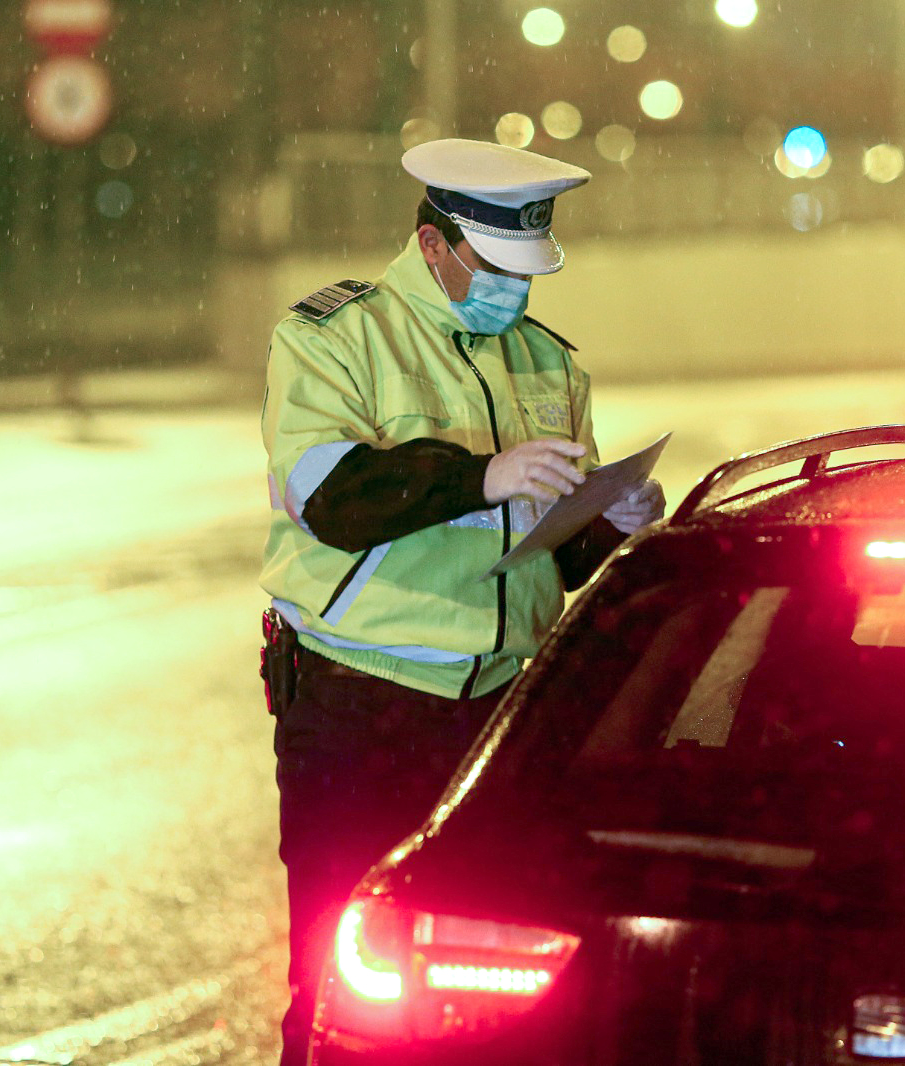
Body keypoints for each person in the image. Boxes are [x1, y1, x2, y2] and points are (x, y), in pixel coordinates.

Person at [259, 138, 664, 1066]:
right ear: (434, 243)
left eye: (526, 273)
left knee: (484, 987)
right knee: (339, 982)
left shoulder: (548, 361)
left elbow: (550, 555)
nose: (513, 291)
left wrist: (613, 520)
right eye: (495, 268)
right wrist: (481, 475)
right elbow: (333, 498)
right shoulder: (333, 337)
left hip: (499, 719)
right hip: (363, 706)